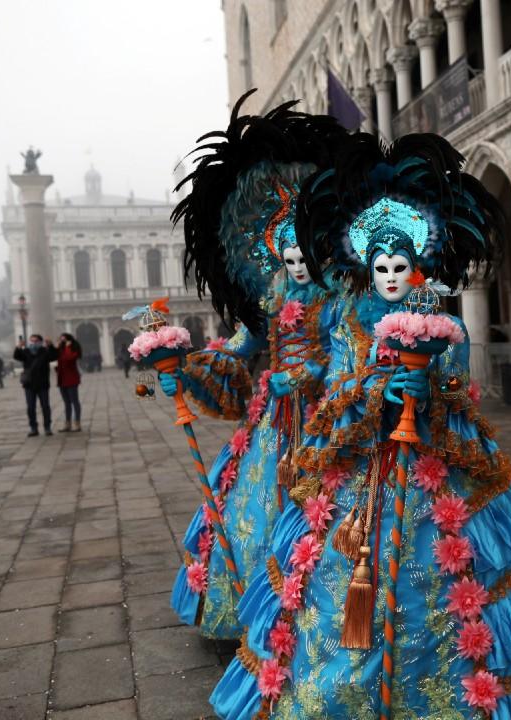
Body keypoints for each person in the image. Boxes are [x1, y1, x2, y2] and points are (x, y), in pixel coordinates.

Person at [210, 133, 511, 719]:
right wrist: (378, 389)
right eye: (381, 265)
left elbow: (460, 397)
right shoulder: (348, 323)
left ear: (417, 267)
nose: (392, 275)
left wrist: (428, 388)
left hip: (432, 473)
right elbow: (338, 394)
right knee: (339, 587)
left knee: (453, 581)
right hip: (360, 477)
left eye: (402, 266)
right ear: (365, 266)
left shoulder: (440, 323)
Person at [159, 93, 349, 641]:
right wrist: (187, 360)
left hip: (325, 415)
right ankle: (252, 611)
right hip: (274, 421)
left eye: (303, 258)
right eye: (287, 260)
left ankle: (304, 622)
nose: (296, 268)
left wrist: (314, 377)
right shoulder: (270, 299)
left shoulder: (335, 298)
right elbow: (242, 346)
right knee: (253, 503)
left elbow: (345, 352)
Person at [14, 334, 54, 437]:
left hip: (42, 384)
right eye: (31, 341)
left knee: (45, 406)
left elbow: (54, 356)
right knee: (30, 407)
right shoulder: (26, 351)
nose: (33, 343)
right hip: (29, 384)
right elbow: (16, 356)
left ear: (40, 342)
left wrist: (50, 346)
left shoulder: (44, 351)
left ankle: (47, 427)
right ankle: (33, 428)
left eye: (36, 341)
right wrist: (19, 346)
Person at [54, 333, 83, 432]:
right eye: (62, 340)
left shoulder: (73, 349)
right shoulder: (60, 350)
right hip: (62, 379)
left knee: (74, 401)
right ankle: (67, 424)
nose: (63, 342)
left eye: (64, 340)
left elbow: (69, 358)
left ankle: (77, 423)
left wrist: (67, 347)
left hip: (72, 379)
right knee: (66, 403)